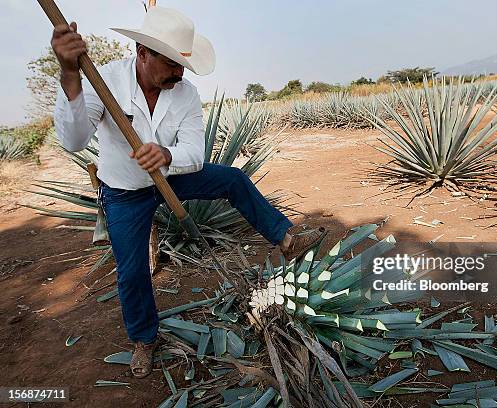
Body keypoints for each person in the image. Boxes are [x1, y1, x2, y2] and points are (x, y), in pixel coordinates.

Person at [51, 6, 324, 378]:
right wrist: (70, 74)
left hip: (170, 176)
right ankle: (145, 339)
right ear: (142, 53)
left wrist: (166, 154)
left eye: (183, 64)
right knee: (132, 273)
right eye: (170, 63)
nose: (178, 73)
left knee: (231, 179)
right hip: (126, 191)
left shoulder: (185, 94)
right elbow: (73, 140)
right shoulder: (106, 81)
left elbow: (195, 153)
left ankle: (287, 238)